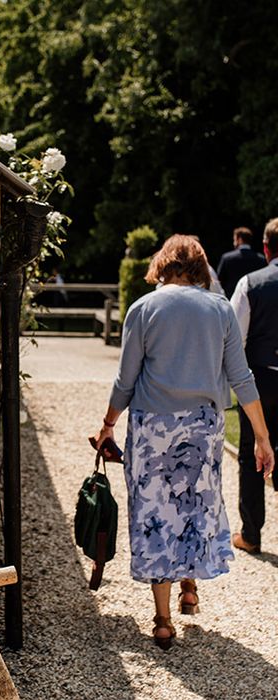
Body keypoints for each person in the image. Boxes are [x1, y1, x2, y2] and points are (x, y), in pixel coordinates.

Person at [92, 234, 274, 650]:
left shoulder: (143, 309)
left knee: (155, 511)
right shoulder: (220, 310)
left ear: (162, 265)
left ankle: (162, 619)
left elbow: (125, 380)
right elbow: (241, 378)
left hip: (153, 427)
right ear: (200, 268)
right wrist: (261, 438)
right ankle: (190, 584)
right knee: (195, 505)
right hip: (203, 428)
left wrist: (108, 425)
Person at [229, 218, 278, 554]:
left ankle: (251, 534)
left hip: (259, 379)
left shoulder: (251, 283)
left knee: (251, 454)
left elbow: (234, 339)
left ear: (265, 249)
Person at [216, 226, 266, 298]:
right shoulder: (261, 259)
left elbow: (219, 281)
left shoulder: (227, 258)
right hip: (254, 300)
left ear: (239, 240)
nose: (234, 243)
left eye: (234, 240)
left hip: (232, 299)